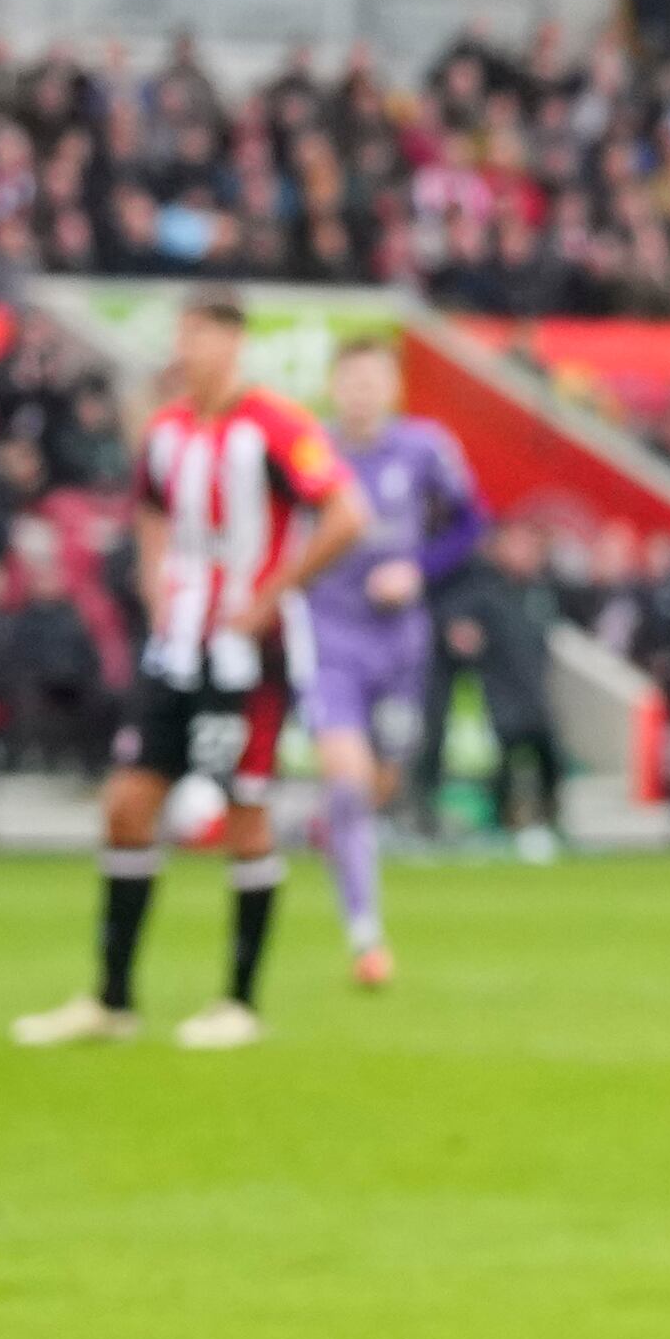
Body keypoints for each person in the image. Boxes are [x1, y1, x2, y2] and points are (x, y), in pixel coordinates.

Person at [12, 291, 366, 1053]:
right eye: (182, 333)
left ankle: (239, 1000)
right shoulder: (168, 429)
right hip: (178, 645)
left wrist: (272, 594)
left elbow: (346, 513)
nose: (188, 347)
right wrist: (152, 578)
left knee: (243, 809)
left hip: (250, 653)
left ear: (234, 342)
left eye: (201, 333)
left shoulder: (275, 424)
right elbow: (148, 508)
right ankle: (112, 998)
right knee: (127, 804)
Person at [294, 329, 489, 986]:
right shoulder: (308, 450)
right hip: (329, 635)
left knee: (382, 783)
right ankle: (366, 936)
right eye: (351, 380)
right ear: (333, 386)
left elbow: (470, 523)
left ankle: (339, 836)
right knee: (347, 782)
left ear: (393, 387)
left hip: (401, 643)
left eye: (374, 380)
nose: (361, 392)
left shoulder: (425, 448)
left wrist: (417, 569)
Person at [437, 540, 566, 859]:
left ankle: (548, 821)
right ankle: (502, 825)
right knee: (505, 761)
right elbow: (452, 618)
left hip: (536, 692)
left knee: (548, 759)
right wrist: (460, 633)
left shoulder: (540, 592)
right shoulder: (484, 589)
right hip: (499, 692)